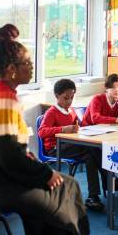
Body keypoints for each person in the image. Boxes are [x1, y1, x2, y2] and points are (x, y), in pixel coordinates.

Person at [0, 24, 89, 235]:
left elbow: (13, 153)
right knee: (65, 194)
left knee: (66, 189)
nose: (31, 67)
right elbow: (10, 158)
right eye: (27, 63)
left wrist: (42, 173)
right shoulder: (2, 99)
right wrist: (45, 174)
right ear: (11, 69)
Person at [38, 79, 104, 211]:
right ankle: (109, 182)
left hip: (71, 145)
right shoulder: (52, 112)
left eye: (72, 97)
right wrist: (63, 129)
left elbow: (77, 126)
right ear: (57, 96)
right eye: (65, 98)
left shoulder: (71, 110)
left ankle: (93, 197)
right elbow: (41, 132)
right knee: (92, 150)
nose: (69, 101)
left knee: (92, 154)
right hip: (55, 148)